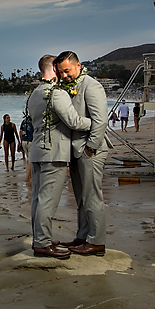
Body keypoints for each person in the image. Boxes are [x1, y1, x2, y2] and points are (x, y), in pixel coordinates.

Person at [28, 54, 92, 259]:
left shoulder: (35, 94)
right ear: (54, 69)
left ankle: (39, 238)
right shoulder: (56, 94)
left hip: (36, 152)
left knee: (37, 199)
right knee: (48, 200)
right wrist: (96, 124)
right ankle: (43, 244)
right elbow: (73, 121)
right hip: (54, 153)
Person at [53, 51, 109, 257]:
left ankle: (97, 241)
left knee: (92, 196)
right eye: (61, 73)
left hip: (90, 150)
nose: (65, 76)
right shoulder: (69, 86)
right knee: (81, 198)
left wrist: (91, 148)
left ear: (78, 65)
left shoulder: (91, 85)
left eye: (67, 71)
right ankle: (83, 236)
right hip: (76, 150)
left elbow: (100, 120)